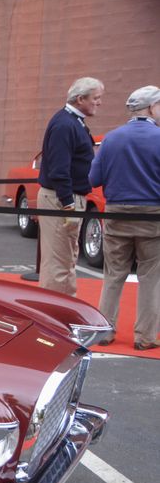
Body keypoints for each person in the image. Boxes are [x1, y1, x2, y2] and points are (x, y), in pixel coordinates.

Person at [90, 85, 160, 351]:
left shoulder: (111, 139)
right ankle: (145, 336)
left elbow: (94, 178)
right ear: (151, 107)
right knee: (151, 278)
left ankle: (104, 331)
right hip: (152, 216)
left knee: (113, 275)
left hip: (116, 213)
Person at [37, 77, 104, 296]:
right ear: (80, 99)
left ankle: (61, 309)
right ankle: (54, 312)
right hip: (61, 199)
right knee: (59, 264)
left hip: (64, 198)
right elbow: (59, 169)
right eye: (96, 98)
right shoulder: (65, 125)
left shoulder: (72, 122)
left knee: (65, 260)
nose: (99, 102)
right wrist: (68, 205)